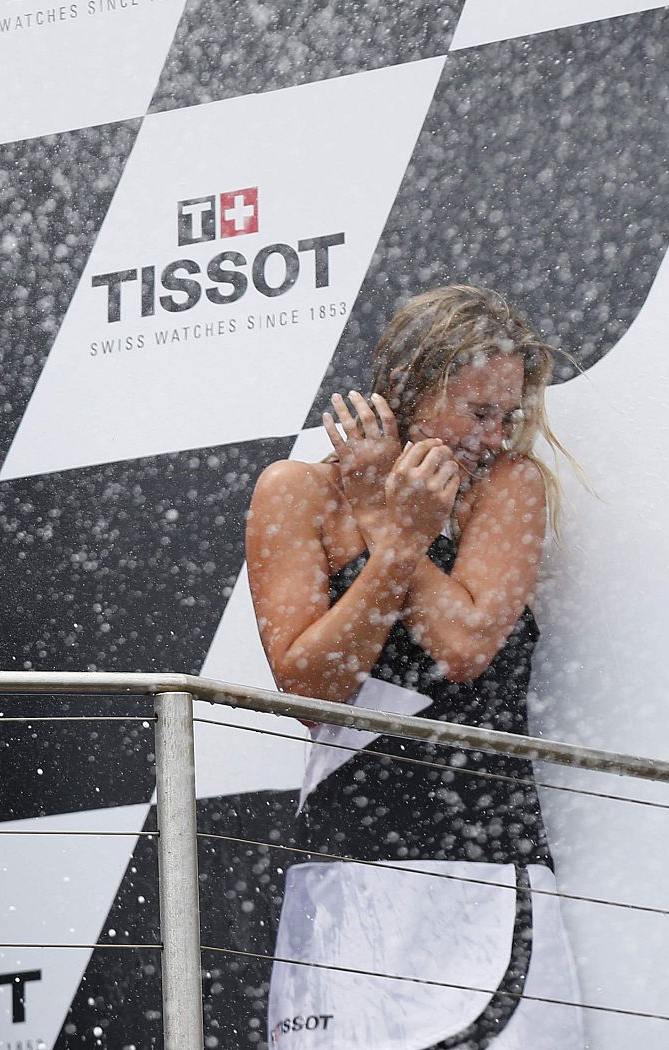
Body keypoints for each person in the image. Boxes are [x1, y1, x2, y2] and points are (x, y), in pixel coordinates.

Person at [245, 286, 583, 1048]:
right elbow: (310, 693)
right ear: (409, 389)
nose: (494, 437)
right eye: (477, 411)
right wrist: (395, 536)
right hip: (346, 876)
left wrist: (376, 508)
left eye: (509, 416)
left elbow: (464, 648)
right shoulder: (294, 492)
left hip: (488, 869)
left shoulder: (508, 486)